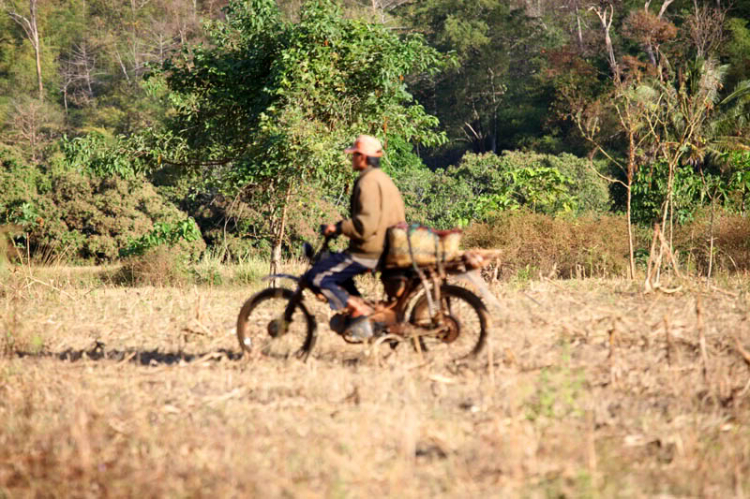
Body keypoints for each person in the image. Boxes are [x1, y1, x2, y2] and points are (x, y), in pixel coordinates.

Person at [304, 134, 406, 339]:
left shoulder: (367, 182)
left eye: (354, 155)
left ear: (362, 157)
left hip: (370, 250)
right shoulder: (384, 180)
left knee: (316, 277)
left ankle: (361, 311)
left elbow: (366, 225)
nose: (351, 159)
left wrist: (339, 228)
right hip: (389, 247)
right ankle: (367, 316)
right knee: (340, 275)